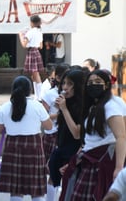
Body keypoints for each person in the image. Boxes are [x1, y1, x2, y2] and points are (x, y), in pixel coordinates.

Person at [59, 69, 126, 201]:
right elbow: (86, 138)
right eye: (90, 82)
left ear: (106, 85)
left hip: (102, 161)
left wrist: (118, 168)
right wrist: (76, 158)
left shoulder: (111, 106)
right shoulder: (92, 107)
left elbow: (121, 137)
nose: (93, 85)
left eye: (97, 82)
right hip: (88, 158)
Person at [0, 75, 53, 201]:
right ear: (29, 89)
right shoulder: (37, 106)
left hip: (12, 147)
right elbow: (49, 126)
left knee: (16, 188)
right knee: (36, 189)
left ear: (13, 89)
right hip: (34, 147)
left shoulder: (5, 107)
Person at [46, 68, 84, 201]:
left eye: (70, 84)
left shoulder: (83, 106)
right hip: (61, 148)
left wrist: (64, 109)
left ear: (78, 86)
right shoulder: (67, 103)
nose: (65, 87)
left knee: (71, 186)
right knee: (52, 179)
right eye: (64, 83)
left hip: (76, 152)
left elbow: (76, 134)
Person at [18, 15, 45, 101]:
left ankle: (40, 95)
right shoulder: (39, 31)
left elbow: (24, 45)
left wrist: (21, 36)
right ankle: (37, 96)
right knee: (34, 75)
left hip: (31, 52)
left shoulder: (30, 32)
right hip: (36, 51)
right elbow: (41, 46)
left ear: (32, 23)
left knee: (35, 74)